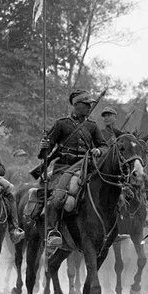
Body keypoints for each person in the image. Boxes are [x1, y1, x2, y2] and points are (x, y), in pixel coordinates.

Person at [30, 89, 108, 248]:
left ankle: (109, 229)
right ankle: (52, 232)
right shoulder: (61, 124)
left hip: (87, 166)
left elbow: (104, 146)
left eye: (89, 105)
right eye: (86, 104)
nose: (88, 107)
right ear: (76, 105)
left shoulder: (92, 126)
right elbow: (45, 153)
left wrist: (98, 151)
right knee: (58, 196)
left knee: (109, 191)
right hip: (64, 166)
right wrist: (44, 147)